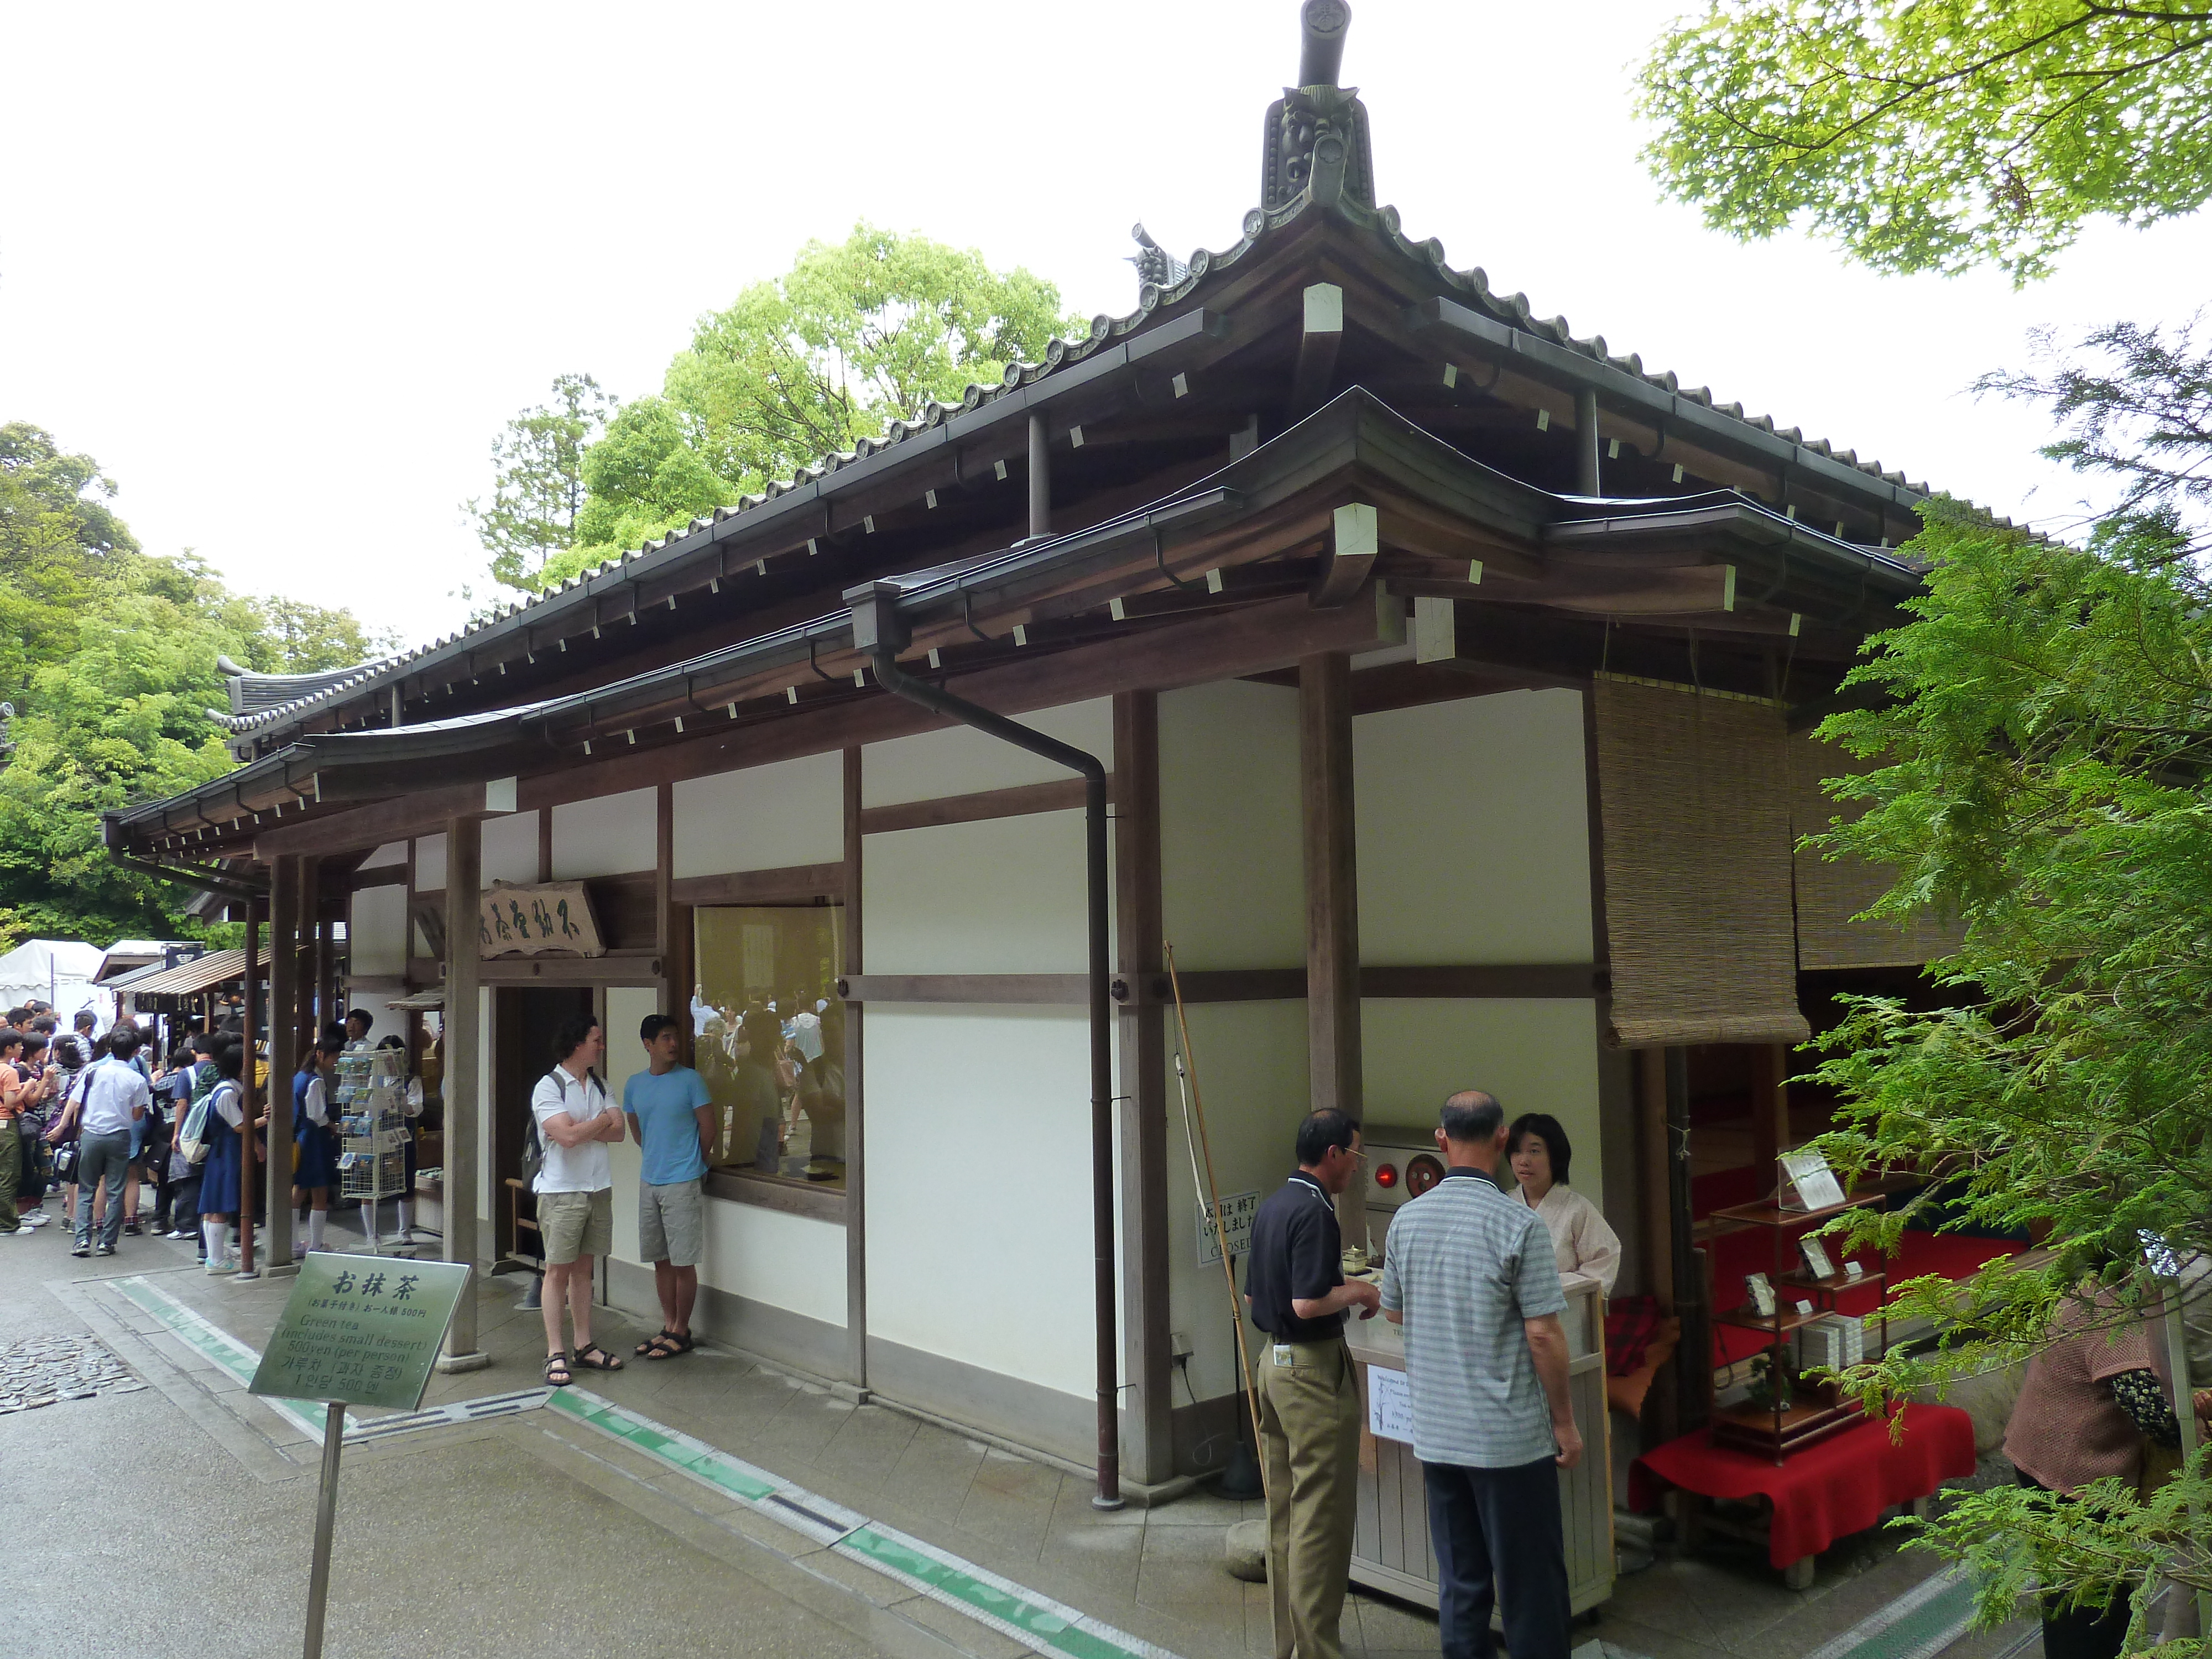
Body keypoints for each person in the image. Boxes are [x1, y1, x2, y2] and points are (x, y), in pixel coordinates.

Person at [1380, 1091, 1579, 1659]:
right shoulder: (1518, 1224)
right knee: (1530, 1586)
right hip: (1509, 1439)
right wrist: (1564, 1424)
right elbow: (1543, 1333)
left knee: (1461, 1582)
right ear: (1501, 1138)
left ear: (1440, 1141)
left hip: (1438, 1434)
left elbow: (1393, 1310)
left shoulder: (1407, 1219)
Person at [1243, 1106, 1378, 1659]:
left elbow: (1257, 1297)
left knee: (1284, 1512)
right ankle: (1319, 1649)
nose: (1356, 1166)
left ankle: (1288, 1646)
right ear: (1333, 1155)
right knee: (1321, 1517)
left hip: (1271, 1366)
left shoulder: (1275, 1206)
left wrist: (1340, 1283)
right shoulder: (1318, 1213)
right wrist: (1362, 1292)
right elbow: (1308, 1300)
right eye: (1355, 1153)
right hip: (1311, 1372)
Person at [2004, 1285, 2180, 1659]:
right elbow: (2155, 1417)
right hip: (2072, 1476)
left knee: (2072, 1590)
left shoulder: (2091, 1290)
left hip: (2041, 1453)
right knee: (2092, 1603)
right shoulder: (2113, 1318)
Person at [531, 1015, 626, 1385]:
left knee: (584, 1271)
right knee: (557, 1271)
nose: (601, 1046)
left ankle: (584, 1345)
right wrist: (598, 1122)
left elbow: (618, 1133)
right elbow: (566, 1138)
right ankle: (556, 1351)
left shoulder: (601, 1083)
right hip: (561, 1190)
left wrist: (582, 1127)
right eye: (596, 1040)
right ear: (577, 1044)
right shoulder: (548, 1087)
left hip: (597, 1186)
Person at [622, 1013, 715, 1359]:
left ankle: (682, 1330)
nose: (673, 1043)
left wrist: (698, 1160)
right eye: (665, 1038)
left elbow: (708, 1126)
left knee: (682, 1261)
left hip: (683, 1179)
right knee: (660, 1259)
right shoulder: (635, 1084)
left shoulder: (691, 1081)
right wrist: (655, 1154)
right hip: (650, 1180)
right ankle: (668, 1324)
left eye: (675, 1036)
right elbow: (636, 1128)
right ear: (648, 1045)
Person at [1506, 1113, 1621, 1295]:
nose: (1523, 1161)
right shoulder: (1504, 1206)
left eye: (1534, 1151)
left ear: (1555, 1155)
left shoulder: (1577, 1209)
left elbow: (1603, 1265)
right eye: (1517, 1151)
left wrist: (1550, 1286)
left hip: (1564, 1311)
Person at [67, 1026, 154, 1258]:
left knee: (87, 1188)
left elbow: (75, 1102)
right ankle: (107, 1242)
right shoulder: (137, 1080)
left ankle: (82, 1240)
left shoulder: (92, 1072)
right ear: (136, 1051)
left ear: (109, 1048)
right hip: (119, 1136)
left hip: (92, 1134)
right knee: (116, 1189)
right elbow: (137, 1116)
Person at [196, 1039, 265, 1275]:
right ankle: (215, 1260)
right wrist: (268, 1118)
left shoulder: (227, 1088)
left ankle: (215, 1257)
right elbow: (240, 1126)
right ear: (241, 1066)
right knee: (219, 1207)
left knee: (214, 1205)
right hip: (226, 1153)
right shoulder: (227, 1093)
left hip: (222, 1153)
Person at [292, 1035, 340, 1253]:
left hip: (301, 1137)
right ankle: (316, 1244)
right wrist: (333, 1126)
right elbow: (317, 1115)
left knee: (299, 1189)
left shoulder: (300, 1077)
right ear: (321, 1055)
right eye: (334, 1056)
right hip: (315, 1139)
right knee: (319, 1192)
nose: (336, 1061)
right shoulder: (316, 1081)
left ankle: (292, 1242)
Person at [0, 1029, 29, 1238]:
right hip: (6, 1124)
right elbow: (11, 1102)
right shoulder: (10, 1072)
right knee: (9, 1175)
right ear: (9, 1048)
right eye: (19, 1045)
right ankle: (8, 1224)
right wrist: (28, 1087)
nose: (22, 1048)